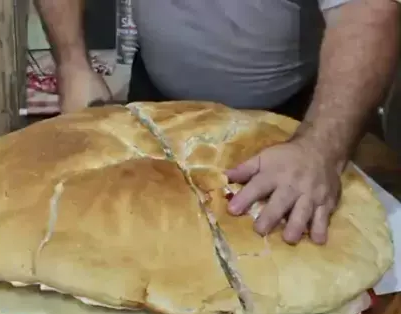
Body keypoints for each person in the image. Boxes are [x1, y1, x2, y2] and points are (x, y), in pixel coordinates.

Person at [35, 0, 399, 245]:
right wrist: (72, 62)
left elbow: (367, 9)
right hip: (157, 100)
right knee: (141, 245)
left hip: (292, 126)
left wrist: (320, 148)